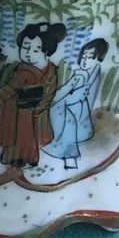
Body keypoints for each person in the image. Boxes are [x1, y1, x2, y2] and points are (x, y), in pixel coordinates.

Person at [0, 22, 65, 169]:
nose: (28, 53)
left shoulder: (24, 72)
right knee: (27, 139)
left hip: (21, 114)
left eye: (36, 49)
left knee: (18, 137)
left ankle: (15, 161)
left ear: (47, 51)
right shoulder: (50, 71)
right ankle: (29, 159)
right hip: (34, 113)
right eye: (25, 47)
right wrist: (39, 109)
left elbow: (4, 94)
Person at [46, 36, 109, 172]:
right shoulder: (83, 74)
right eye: (84, 57)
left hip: (76, 108)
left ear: (98, 59)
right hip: (75, 106)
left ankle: (69, 155)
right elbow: (65, 89)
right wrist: (53, 97)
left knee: (65, 117)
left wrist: (55, 99)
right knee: (59, 110)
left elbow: (73, 93)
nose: (85, 61)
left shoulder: (88, 74)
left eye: (90, 57)